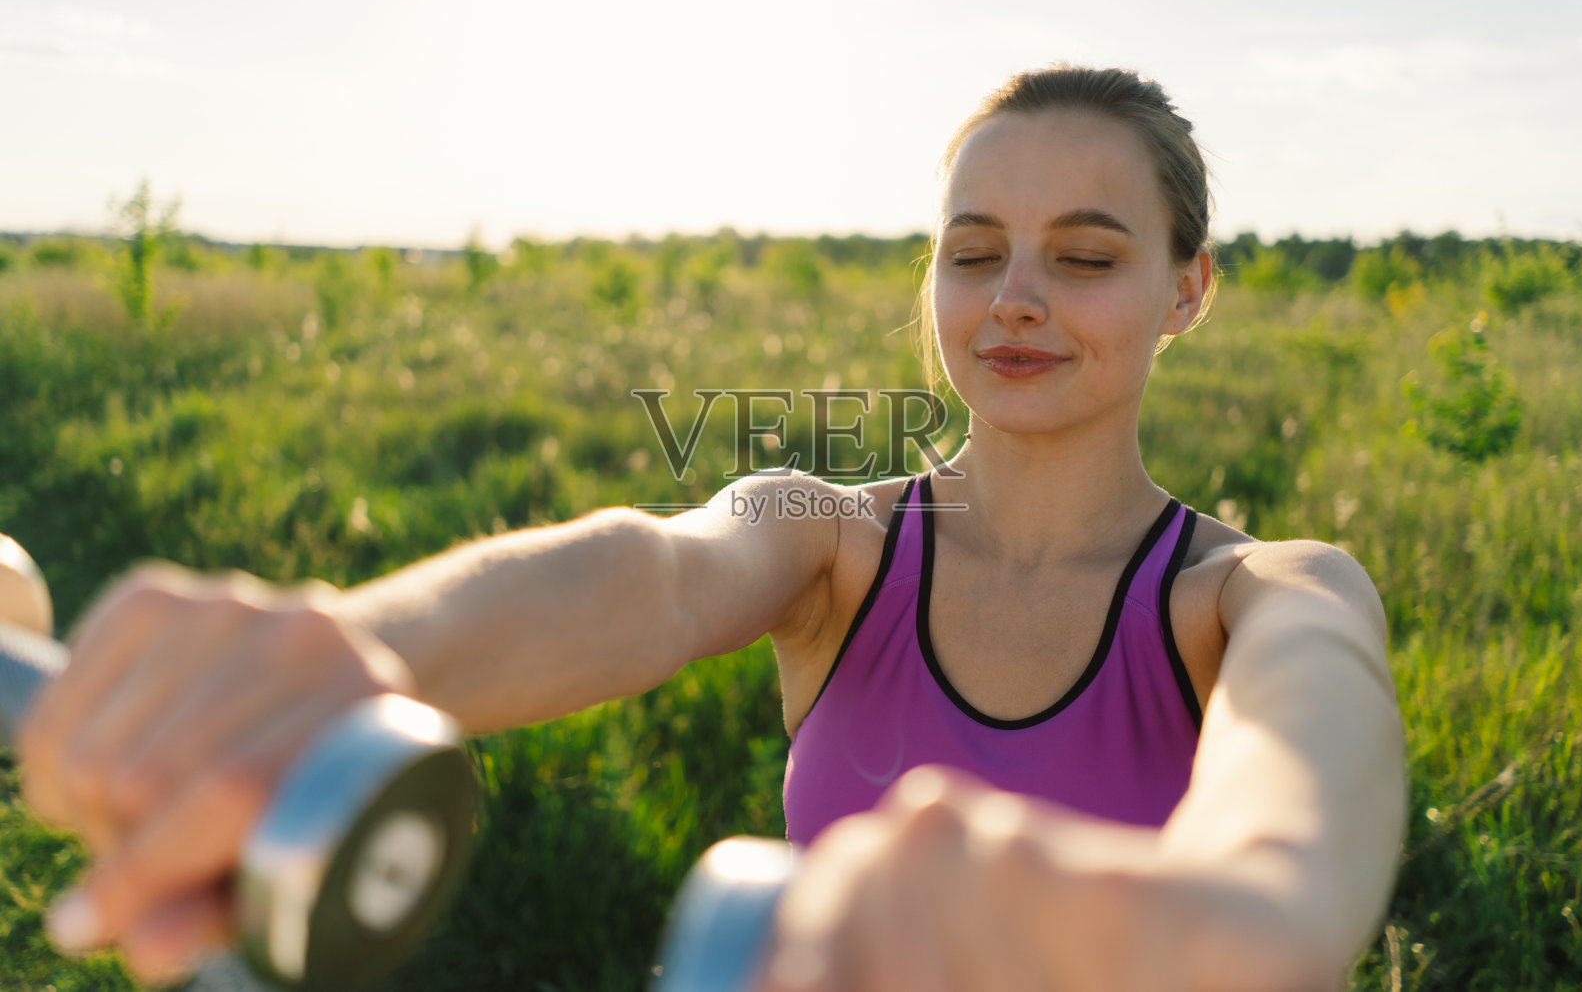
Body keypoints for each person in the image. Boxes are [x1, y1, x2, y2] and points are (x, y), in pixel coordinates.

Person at [18, 64, 1407, 990]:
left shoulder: (1261, 596)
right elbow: (656, 574)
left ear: (1187, 289)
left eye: (1087, 255)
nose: (1015, 298)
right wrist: (359, 653)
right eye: (974, 251)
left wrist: (1241, 918)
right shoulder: (832, 540)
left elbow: (1303, 802)